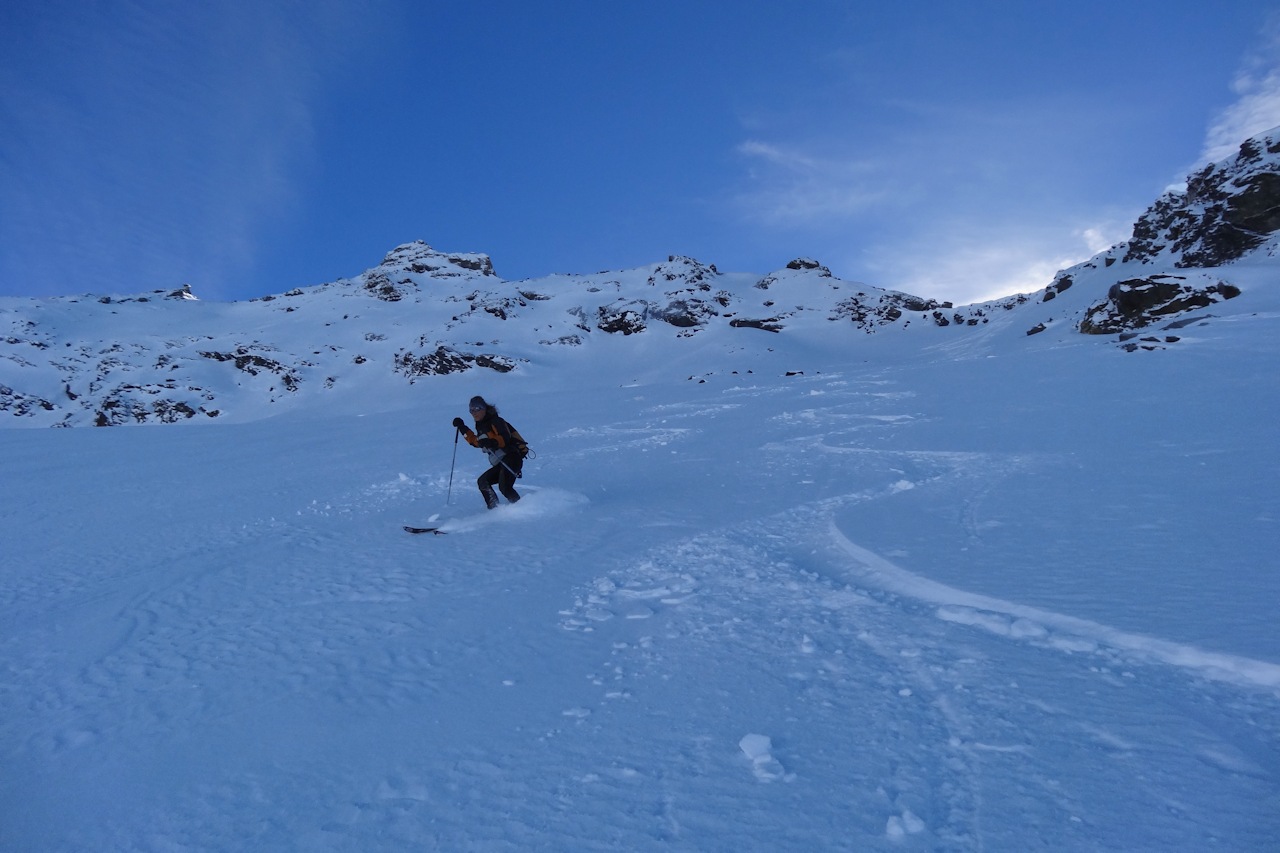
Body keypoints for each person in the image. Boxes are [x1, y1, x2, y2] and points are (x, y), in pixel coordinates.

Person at [452, 395, 525, 509]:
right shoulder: (481, 426)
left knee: (505, 487)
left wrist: (491, 442)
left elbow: (505, 438)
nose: (474, 413)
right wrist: (462, 427)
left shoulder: (496, 421)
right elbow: (475, 441)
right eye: (471, 410)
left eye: (477, 409)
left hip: (512, 458)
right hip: (501, 461)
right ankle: (494, 510)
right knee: (483, 482)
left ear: (484, 409)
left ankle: (523, 509)